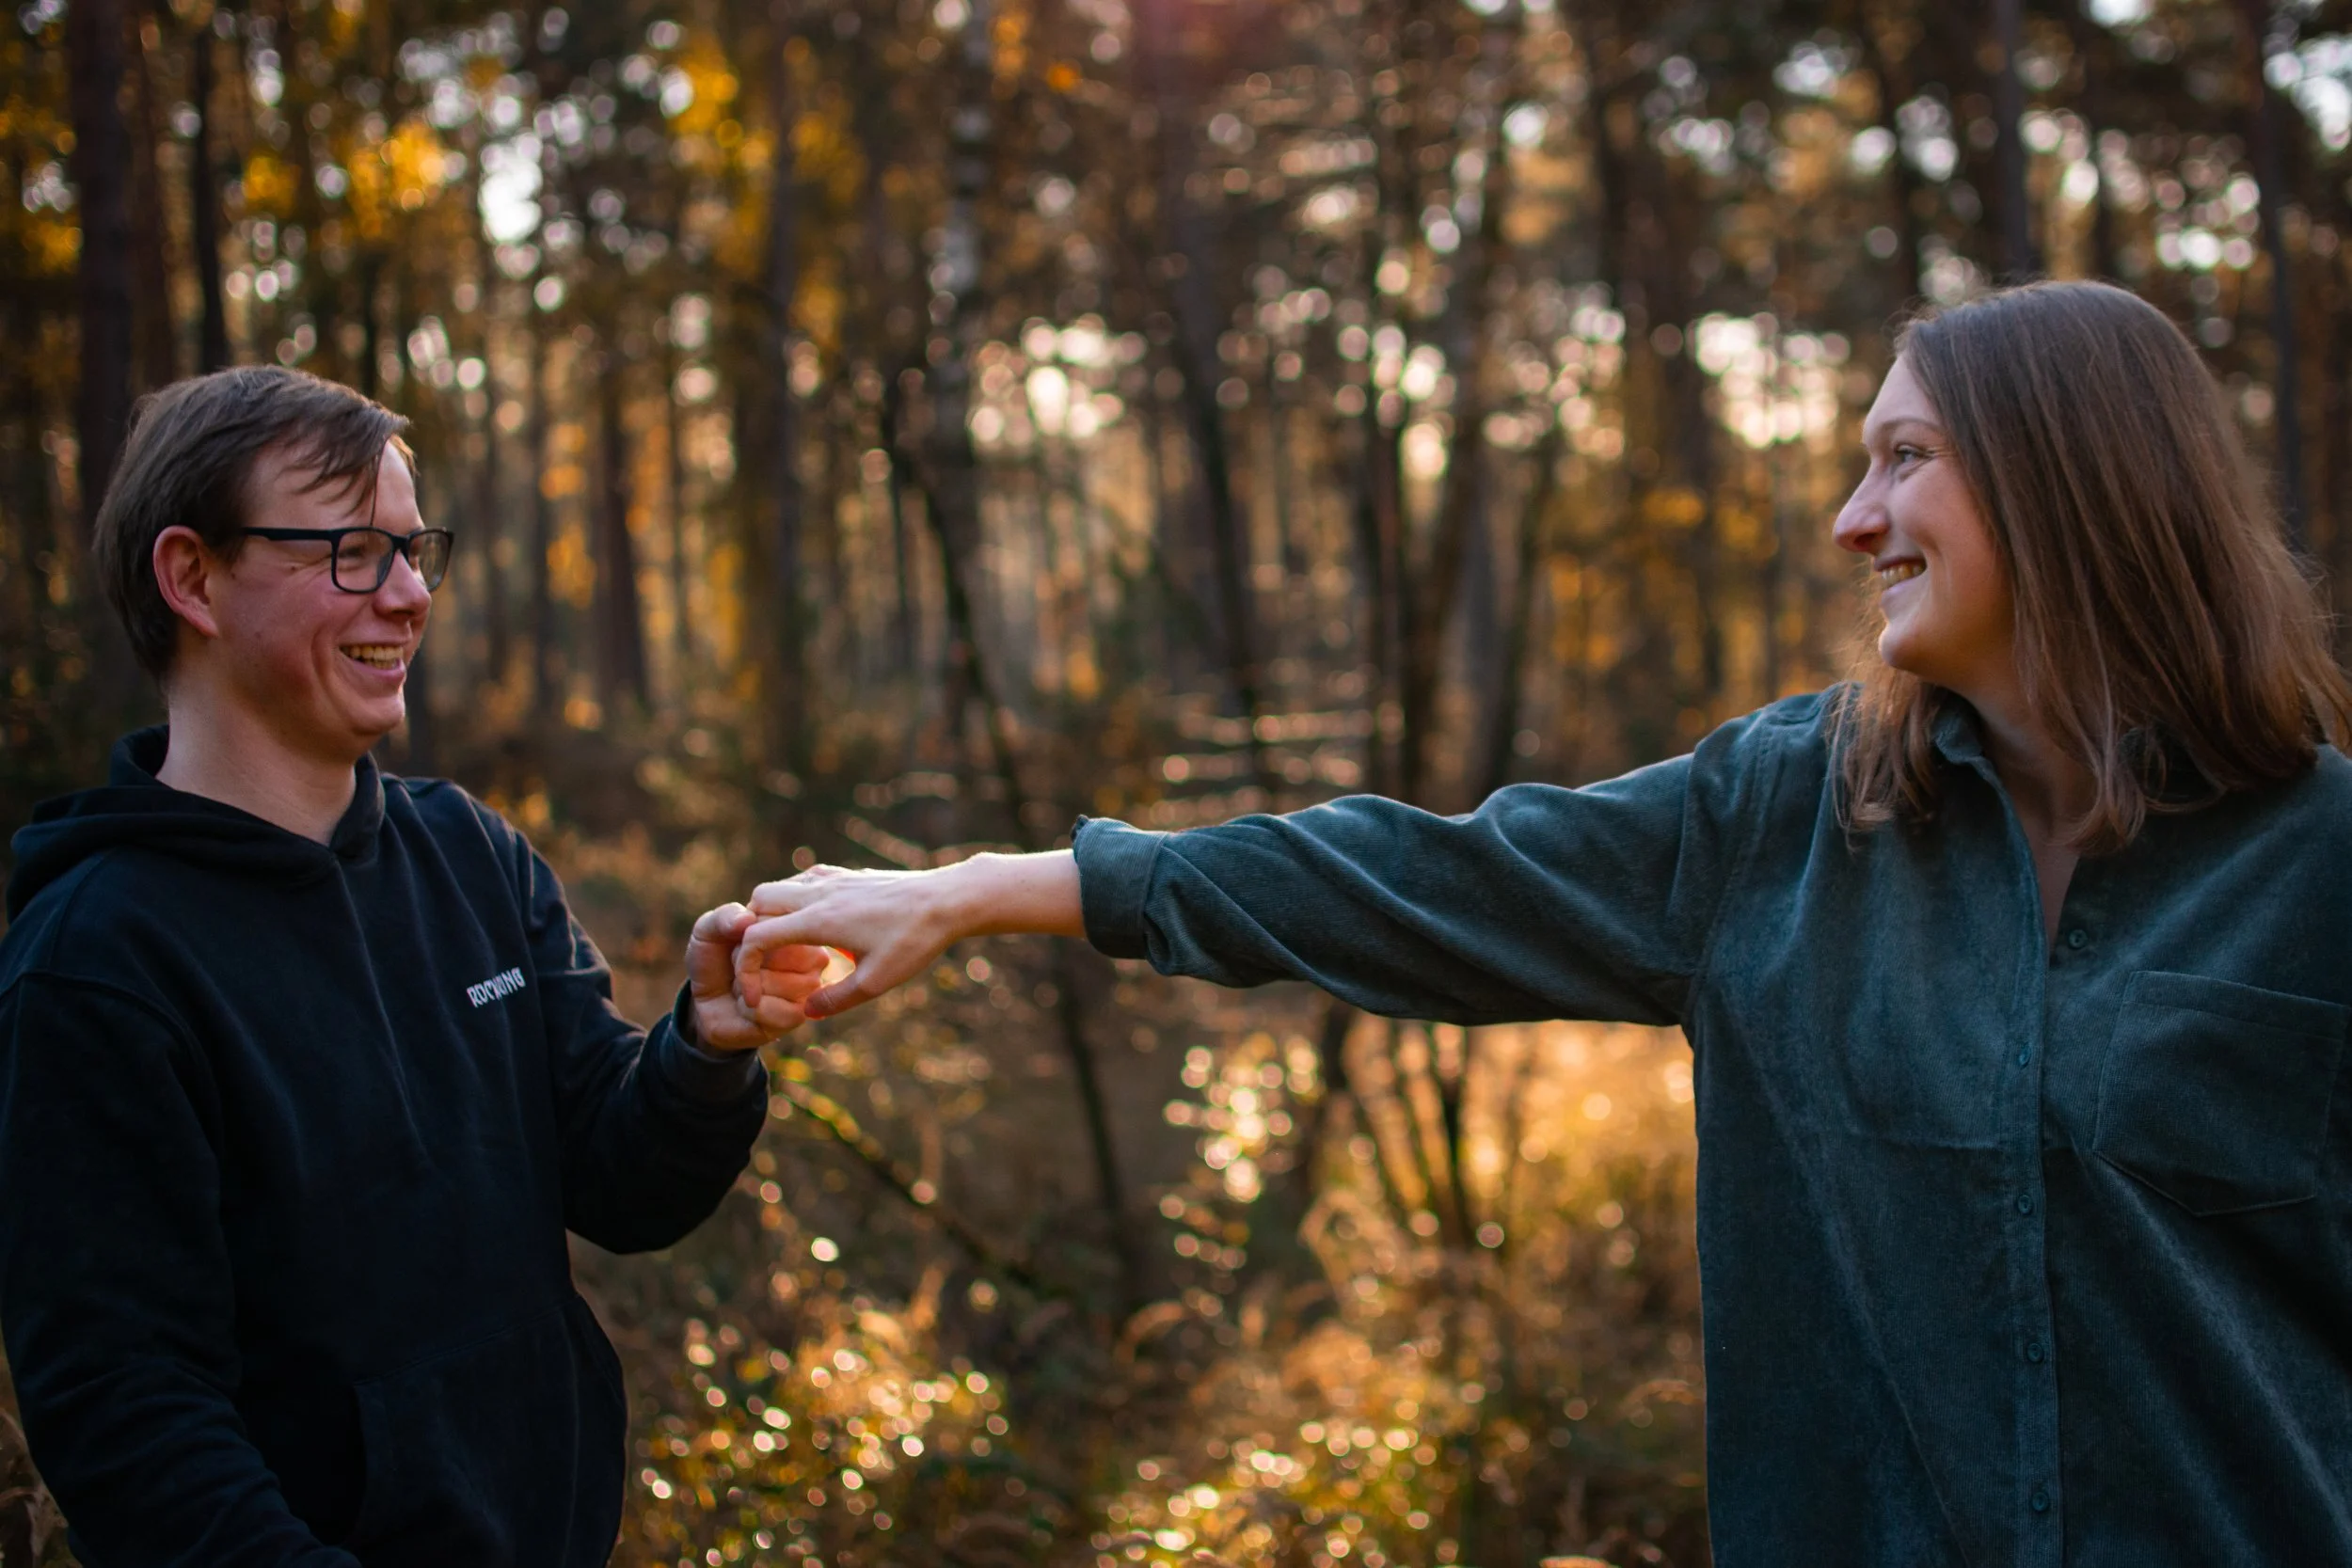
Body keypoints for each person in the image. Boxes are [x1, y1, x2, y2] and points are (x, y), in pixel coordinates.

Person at [733, 282, 2352, 1564]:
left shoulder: (2322, 860)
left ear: (2072, 481)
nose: (1854, 519)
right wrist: (976, 890)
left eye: (1906, 456)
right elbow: (1419, 879)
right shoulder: (1782, 819)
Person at [0, 366, 828, 1566]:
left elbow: (620, 1183)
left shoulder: (469, 852)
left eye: (413, 549)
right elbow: (130, 1420)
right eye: (350, 552)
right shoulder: (96, 964)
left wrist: (705, 1044)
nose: (406, 594)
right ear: (193, 578)